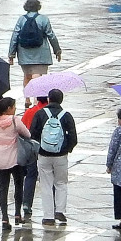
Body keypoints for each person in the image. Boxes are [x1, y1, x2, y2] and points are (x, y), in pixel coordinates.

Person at [28, 87, 77, 227]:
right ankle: (60, 210)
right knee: (61, 183)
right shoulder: (66, 115)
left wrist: (39, 149)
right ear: (61, 100)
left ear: (48, 99)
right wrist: (67, 149)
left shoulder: (40, 114)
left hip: (43, 155)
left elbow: (33, 134)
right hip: (61, 155)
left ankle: (48, 216)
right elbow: (73, 137)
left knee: (46, 184)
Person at [0, 96, 31, 229]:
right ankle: (18, 214)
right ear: (9, 108)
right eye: (14, 107)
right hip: (14, 159)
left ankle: (4, 218)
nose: (15, 109)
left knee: (3, 189)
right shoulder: (15, 120)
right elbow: (28, 134)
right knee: (19, 185)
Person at [8, 0, 62, 83]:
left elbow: (15, 37)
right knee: (38, 76)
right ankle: (37, 96)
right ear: (38, 7)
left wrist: (11, 55)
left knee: (27, 77)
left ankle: (27, 96)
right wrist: (57, 51)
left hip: (24, 54)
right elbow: (51, 36)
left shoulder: (21, 19)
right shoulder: (44, 19)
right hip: (41, 54)